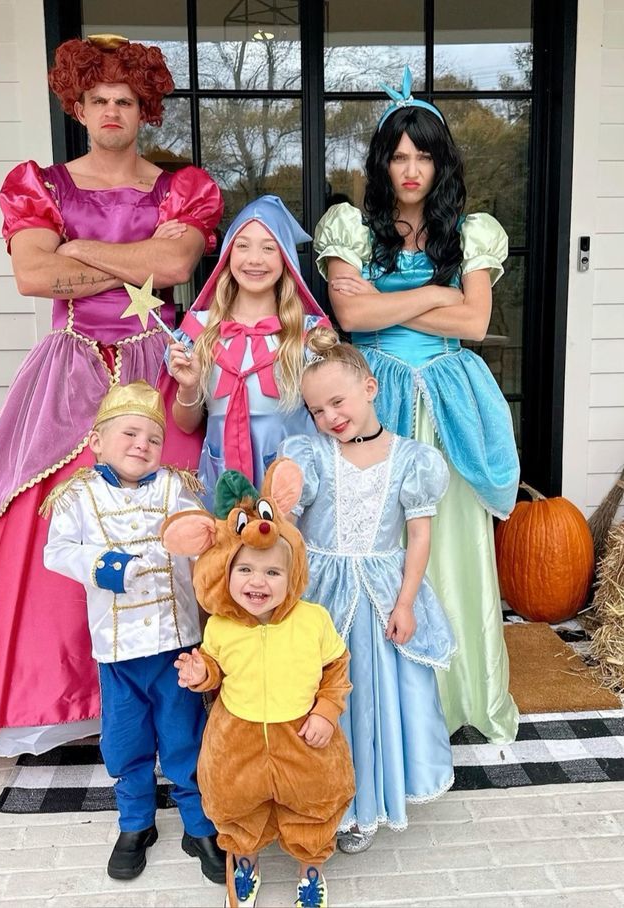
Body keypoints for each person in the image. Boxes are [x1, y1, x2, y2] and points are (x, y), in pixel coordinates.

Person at [0, 34, 223, 756]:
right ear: (75, 105)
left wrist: (78, 249)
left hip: (156, 373)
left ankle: (181, 689)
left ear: (145, 109)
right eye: (97, 99)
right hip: (66, 371)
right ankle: (59, 695)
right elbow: (33, 277)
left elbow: (172, 262)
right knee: (37, 528)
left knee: (175, 521)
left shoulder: (182, 188)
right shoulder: (38, 183)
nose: (111, 111)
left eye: (125, 101)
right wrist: (125, 265)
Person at [313, 66, 520, 745]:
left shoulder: (469, 231)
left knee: (446, 543)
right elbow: (349, 312)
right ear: (381, 162)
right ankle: (383, 701)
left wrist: (390, 308)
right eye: (397, 155)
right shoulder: (351, 226)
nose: (410, 168)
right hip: (376, 398)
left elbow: (472, 326)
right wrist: (437, 295)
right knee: (379, 540)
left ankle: (455, 691)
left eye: (423, 154)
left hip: (447, 404)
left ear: (440, 162)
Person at [279, 327, 455, 855]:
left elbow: (418, 535)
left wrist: (405, 602)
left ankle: (366, 805)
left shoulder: (411, 459)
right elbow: (287, 518)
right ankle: (317, 797)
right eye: (316, 410)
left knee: (371, 700)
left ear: (370, 389)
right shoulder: (309, 454)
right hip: (322, 598)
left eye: (338, 401)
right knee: (319, 696)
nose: (330, 417)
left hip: (381, 596)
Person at [41, 381, 225, 884]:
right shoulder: (77, 495)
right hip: (118, 650)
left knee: (184, 737)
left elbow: (200, 542)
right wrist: (106, 563)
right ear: (96, 440)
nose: (142, 444)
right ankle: (136, 823)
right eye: (130, 433)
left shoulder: (176, 488)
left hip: (176, 645)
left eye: (152, 437)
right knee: (125, 742)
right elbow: (55, 552)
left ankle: (198, 823)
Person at [162, 461, 355, 908]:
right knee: (235, 805)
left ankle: (311, 869)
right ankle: (244, 862)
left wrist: (327, 712)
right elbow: (215, 667)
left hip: (303, 736)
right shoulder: (222, 627)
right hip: (238, 738)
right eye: (245, 570)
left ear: (292, 577)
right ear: (225, 575)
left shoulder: (312, 621)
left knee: (313, 804)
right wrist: (201, 673)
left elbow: (337, 668)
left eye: (272, 573)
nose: (258, 582)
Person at [160, 195, 330, 506]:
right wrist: (188, 386)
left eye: (268, 247)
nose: (254, 259)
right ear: (227, 254)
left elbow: (330, 417)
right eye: (243, 245)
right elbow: (185, 424)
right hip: (220, 477)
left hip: (291, 481)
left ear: (286, 258)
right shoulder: (198, 331)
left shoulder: (308, 334)